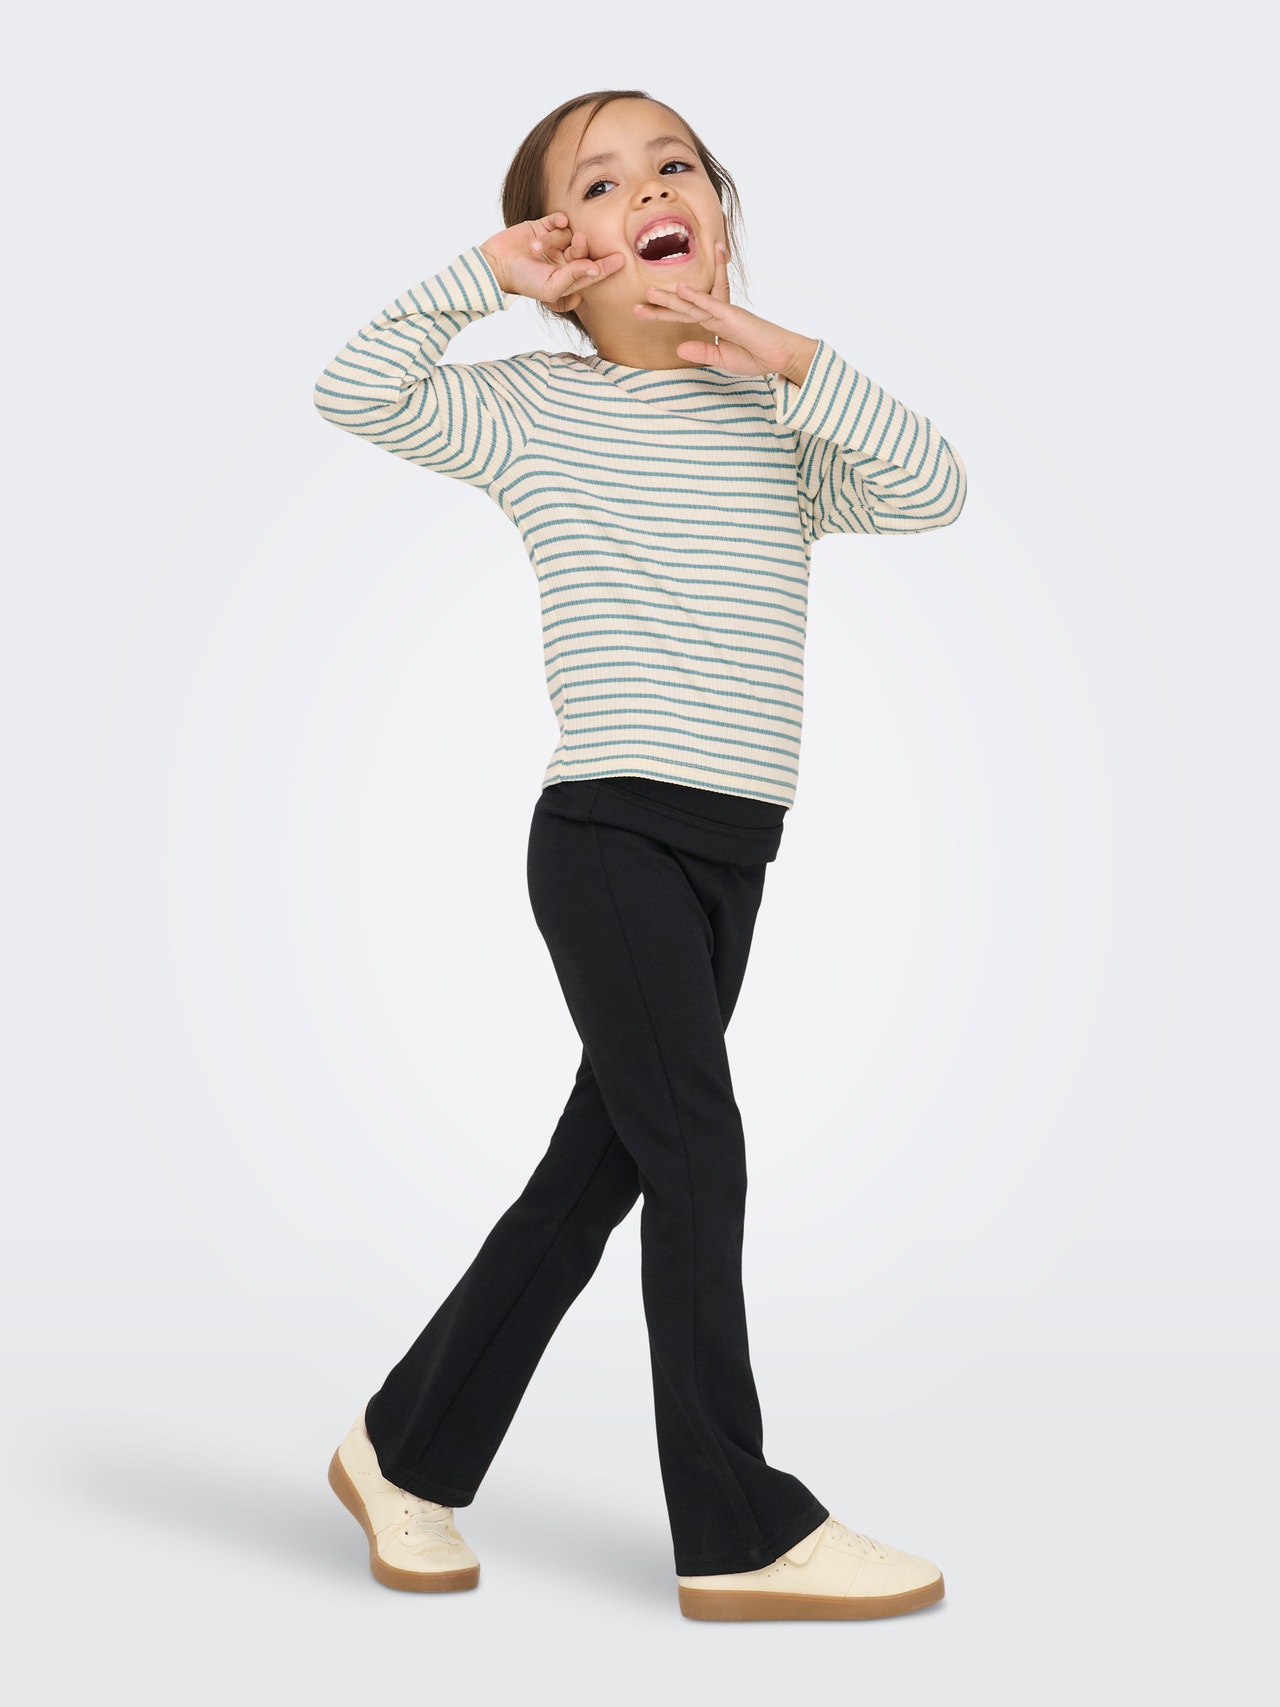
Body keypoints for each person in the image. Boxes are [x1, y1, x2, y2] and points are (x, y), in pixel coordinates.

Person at [314, 88, 966, 1621]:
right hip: (609, 833)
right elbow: (357, 389)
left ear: (717, 215)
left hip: (733, 851)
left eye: (676, 165)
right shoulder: (535, 410)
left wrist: (786, 356)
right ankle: (738, 1528)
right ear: (568, 254)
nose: (650, 187)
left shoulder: (774, 423)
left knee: (595, 1175)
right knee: (697, 1155)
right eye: (598, 184)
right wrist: (483, 278)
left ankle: (402, 1448)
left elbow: (931, 486)